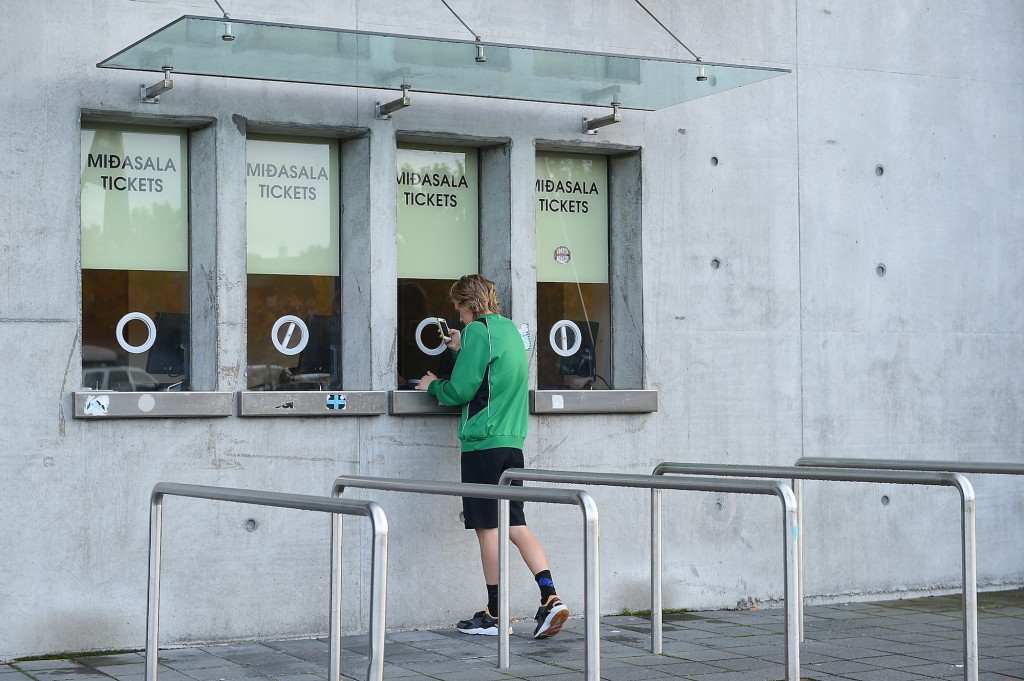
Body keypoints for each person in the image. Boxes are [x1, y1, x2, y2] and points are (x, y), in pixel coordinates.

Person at [416, 274, 569, 639]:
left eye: (458, 306)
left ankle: (495, 613)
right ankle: (550, 597)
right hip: (511, 442)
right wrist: (459, 349)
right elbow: (493, 376)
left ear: (468, 303)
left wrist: (431, 385)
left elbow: (462, 389)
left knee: (488, 528)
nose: (457, 315)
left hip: (482, 444)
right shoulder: (510, 331)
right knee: (516, 524)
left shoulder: (476, 332)